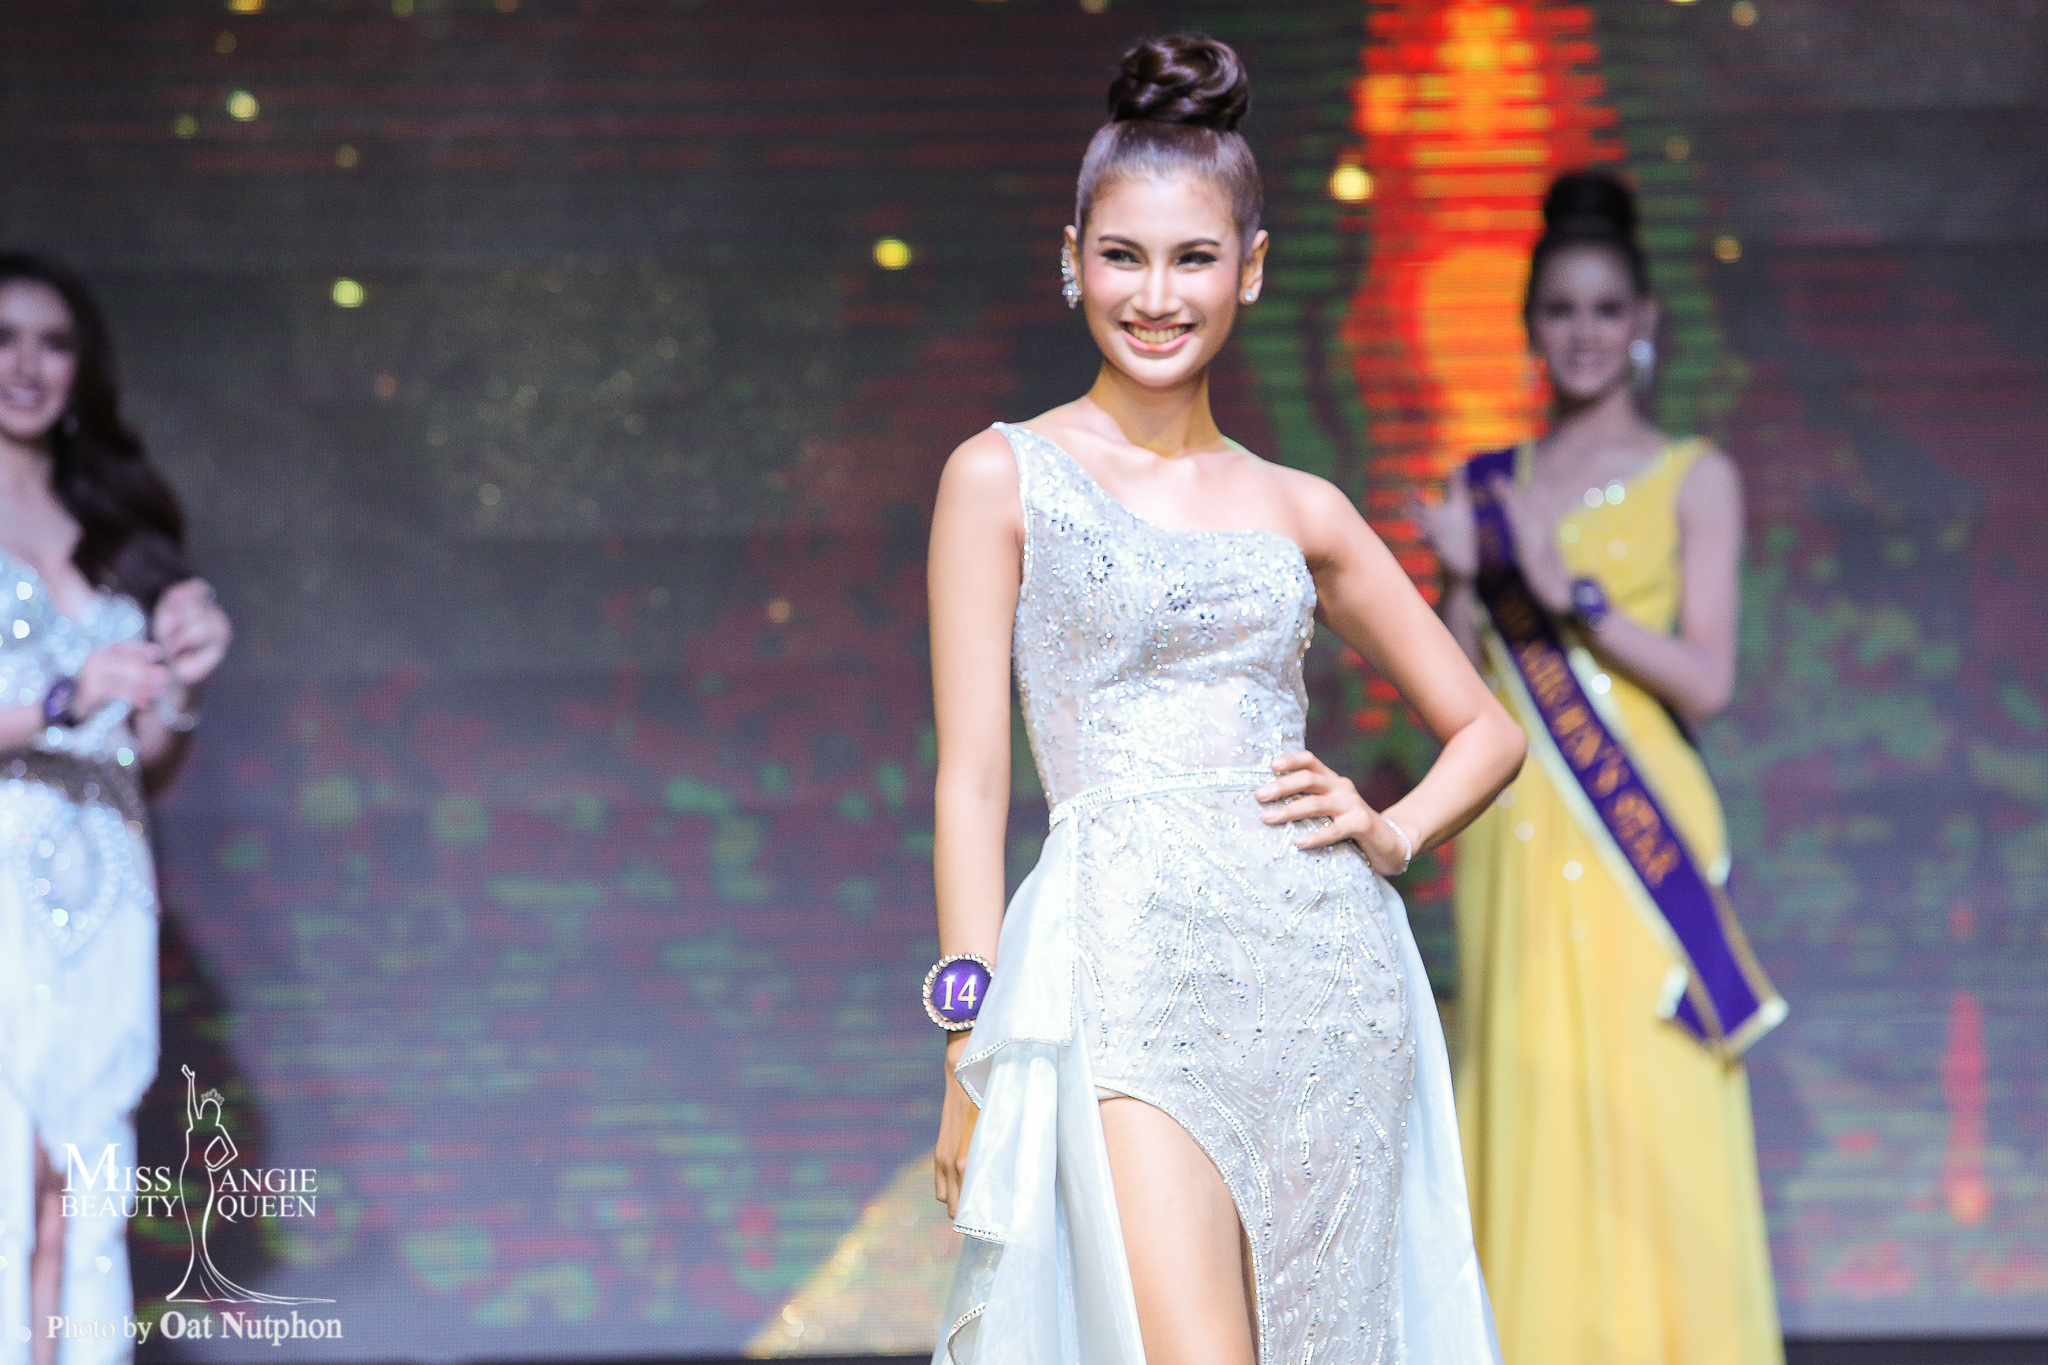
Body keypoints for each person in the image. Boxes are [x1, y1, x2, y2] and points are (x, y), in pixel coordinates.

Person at [923, 36, 1526, 1365]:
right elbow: (970, 783)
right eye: (1122, 256)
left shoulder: (1301, 507)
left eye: (1192, 258)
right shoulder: (1000, 477)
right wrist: (969, 1046)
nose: (1156, 295)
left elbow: (1489, 730)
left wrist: (1393, 830)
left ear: (1249, 269)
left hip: (1325, 977)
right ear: (1072, 257)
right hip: (1123, 963)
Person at [1411, 170, 1786, 1365]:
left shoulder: (1695, 475)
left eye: (1604, 309)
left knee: (1646, 1100)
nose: (1582, 332)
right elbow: (1457, 686)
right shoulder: (1483, 485)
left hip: (1640, 831)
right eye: (1560, 310)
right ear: (1530, 326)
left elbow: (1706, 680)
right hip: (1516, 832)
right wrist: (1462, 578)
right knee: (1527, 1085)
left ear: (1643, 324)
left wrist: (1564, 591)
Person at [0, 253, 233, 1365]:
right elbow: (69, 705)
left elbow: (149, 762)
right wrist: (62, 695)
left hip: (105, 885)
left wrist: (182, 683)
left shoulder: (115, 519)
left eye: (53, 343)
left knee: (82, 1190)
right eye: (3, 339)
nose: (27, 365)